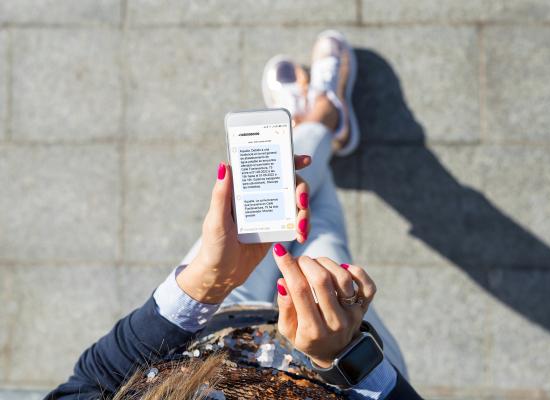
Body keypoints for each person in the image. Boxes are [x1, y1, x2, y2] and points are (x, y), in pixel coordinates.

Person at [45, 31, 422, 400]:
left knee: (296, 208)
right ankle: (321, 118)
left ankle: (319, 121)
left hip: (218, 317)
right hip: (344, 360)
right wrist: (345, 357)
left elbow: (88, 384)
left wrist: (205, 281)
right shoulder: (346, 355)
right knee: (323, 238)